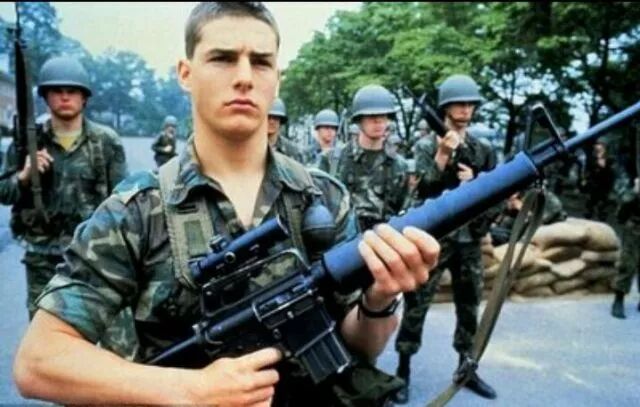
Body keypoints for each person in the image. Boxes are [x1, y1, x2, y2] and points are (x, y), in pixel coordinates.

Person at [13, 3, 440, 406]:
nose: (244, 77)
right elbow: (38, 361)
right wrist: (192, 389)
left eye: (261, 62)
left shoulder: (324, 197)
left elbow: (360, 346)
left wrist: (381, 297)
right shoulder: (136, 210)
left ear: (277, 78)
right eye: (222, 58)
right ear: (186, 73)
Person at [394, 74, 500, 403]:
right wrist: (442, 156)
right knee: (416, 305)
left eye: (470, 104)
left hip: (470, 240)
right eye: (459, 104)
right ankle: (402, 370)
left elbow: (498, 191)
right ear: (445, 108)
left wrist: (475, 181)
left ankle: (467, 369)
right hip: (437, 239)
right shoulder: (426, 146)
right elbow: (422, 193)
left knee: (469, 306)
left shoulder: (482, 150)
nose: (466, 109)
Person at [0, 55, 128, 319]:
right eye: (57, 91)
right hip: (41, 256)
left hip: (92, 257)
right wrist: (24, 175)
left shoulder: (106, 141)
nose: (65, 97)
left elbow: (123, 200)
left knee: (100, 329)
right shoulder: (27, 142)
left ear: (84, 98)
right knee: (44, 329)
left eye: (72, 91)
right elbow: (4, 192)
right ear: (45, 97)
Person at [317, 84, 411, 231]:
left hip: (383, 237)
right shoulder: (332, 160)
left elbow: (404, 211)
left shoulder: (399, 166)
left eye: (383, 116)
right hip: (341, 238)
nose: (378, 121)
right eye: (371, 116)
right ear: (359, 120)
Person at [611, 176, 640, 319]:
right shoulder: (634, 190)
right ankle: (618, 300)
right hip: (635, 229)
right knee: (627, 264)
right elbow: (622, 210)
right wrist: (635, 192)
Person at [581, 140, 616, 221]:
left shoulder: (609, 159)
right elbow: (588, 169)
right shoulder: (592, 158)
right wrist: (585, 179)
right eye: (596, 145)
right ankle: (589, 212)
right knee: (591, 199)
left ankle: (602, 214)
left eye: (599, 145)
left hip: (605, 182)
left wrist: (603, 163)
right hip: (594, 181)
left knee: (603, 200)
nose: (597, 147)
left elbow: (610, 171)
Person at [267, 97, 305, 163]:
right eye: (268, 117)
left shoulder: (291, 150)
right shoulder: (250, 147)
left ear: (281, 121)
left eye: (275, 118)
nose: (271, 121)